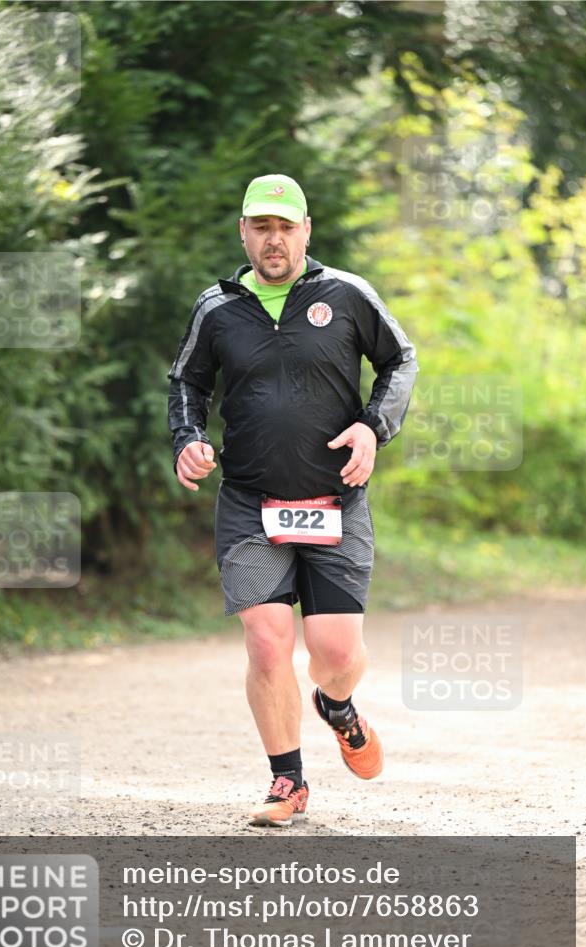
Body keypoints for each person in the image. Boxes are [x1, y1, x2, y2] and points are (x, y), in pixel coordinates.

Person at [168, 174, 418, 827]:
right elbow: (188, 382)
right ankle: (288, 781)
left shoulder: (346, 294)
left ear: (306, 230)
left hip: (335, 499)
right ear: (243, 233)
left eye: (285, 226)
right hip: (250, 502)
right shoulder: (217, 308)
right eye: (261, 227)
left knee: (335, 655)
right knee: (266, 639)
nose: (273, 239)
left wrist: (372, 426)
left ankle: (337, 706)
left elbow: (400, 360)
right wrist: (188, 438)